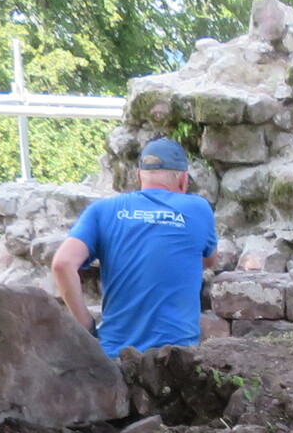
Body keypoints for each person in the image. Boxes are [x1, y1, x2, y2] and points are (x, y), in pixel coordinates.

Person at [52, 139, 220, 356]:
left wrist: (86, 325)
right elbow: (208, 260)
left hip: (116, 358)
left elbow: (62, 264)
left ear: (139, 176)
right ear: (183, 180)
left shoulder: (102, 210)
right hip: (176, 358)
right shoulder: (198, 208)